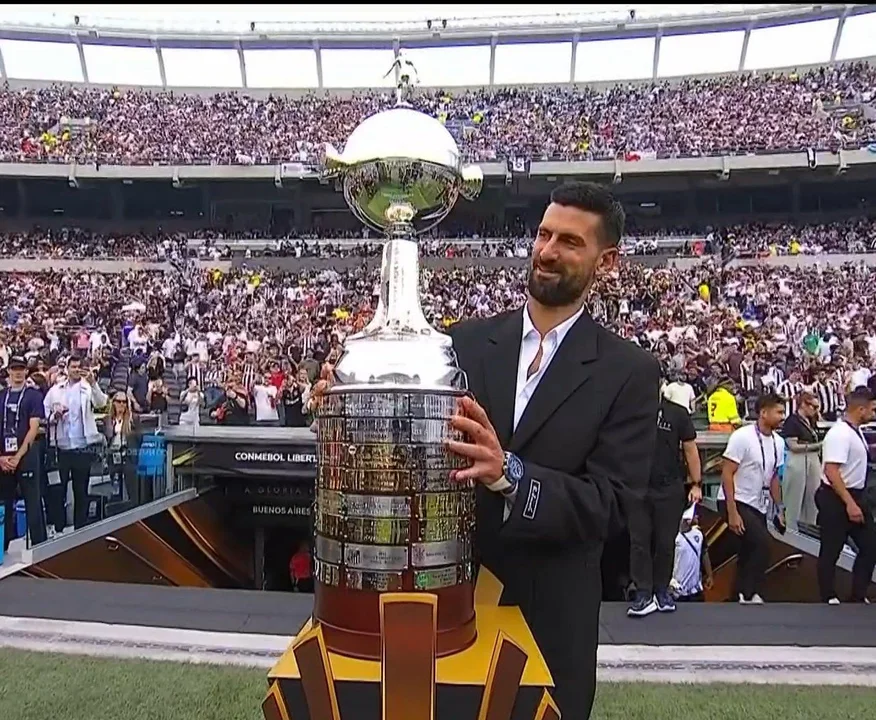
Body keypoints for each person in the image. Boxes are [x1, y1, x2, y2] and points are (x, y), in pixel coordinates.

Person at [447, 182, 659, 719]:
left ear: (606, 261)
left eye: (569, 241)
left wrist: (511, 475)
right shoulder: (462, 343)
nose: (546, 251)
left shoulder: (628, 372)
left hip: (552, 624)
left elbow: (611, 505)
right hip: (450, 609)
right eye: (543, 234)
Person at [628, 389, 702, 617]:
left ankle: (661, 591)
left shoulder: (678, 413)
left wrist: (697, 483)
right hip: (637, 486)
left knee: (665, 542)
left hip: (669, 486)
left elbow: (690, 448)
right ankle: (643, 592)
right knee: (639, 541)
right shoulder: (630, 411)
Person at [718, 392, 787, 604]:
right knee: (762, 544)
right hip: (736, 500)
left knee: (749, 549)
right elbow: (727, 473)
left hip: (759, 503)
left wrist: (780, 508)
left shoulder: (779, 442)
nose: (783, 416)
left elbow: (774, 477)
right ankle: (748, 593)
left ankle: (740, 594)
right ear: (763, 413)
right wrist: (732, 512)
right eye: (779, 412)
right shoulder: (742, 437)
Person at [816, 386, 876, 604]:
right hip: (837, 496)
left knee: (871, 545)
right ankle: (828, 596)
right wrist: (849, 504)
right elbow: (831, 471)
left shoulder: (855, 431)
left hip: (856, 494)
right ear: (860, 409)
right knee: (831, 548)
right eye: (872, 409)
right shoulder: (840, 434)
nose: (873, 413)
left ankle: (857, 595)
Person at [43, 355, 108, 530]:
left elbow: (102, 403)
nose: (76, 370)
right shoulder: (56, 390)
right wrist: (54, 416)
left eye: (79, 367)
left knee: (81, 490)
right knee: (58, 490)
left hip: (82, 447)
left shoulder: (87, 387)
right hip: (61, 448)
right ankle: (59, 528)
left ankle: (81, 528)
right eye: (73, 367)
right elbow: (45, 414)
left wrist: (94, 384)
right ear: (67, 368)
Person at [1, 356, 47, 552]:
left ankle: (41, 549)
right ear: (9, 371)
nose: (18, 372)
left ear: (26, 371)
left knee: (33, 502)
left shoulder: (33, 396)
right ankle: (3, 546)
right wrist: (1, 457)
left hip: (27, 456)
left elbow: (33, 428)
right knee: (4, 504)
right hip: (4, 458)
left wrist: (18, 456)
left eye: (21, 369)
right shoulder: (2, 396)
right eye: (14, 369)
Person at [780, 390, 822, 530]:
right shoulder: (792, 421)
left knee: (812, 498)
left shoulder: (811, 420)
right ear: (803, 404)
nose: (816, 411)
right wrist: (819, 445)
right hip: (798, 459)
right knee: (794, 498)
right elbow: (793, 446)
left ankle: (809, 528)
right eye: (814, 407)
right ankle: (790, 528)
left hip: (811, 459)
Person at [670, 503, 713, 602]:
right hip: (677, 590)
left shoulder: (699, 534)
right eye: (694, 514)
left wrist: (710, 575)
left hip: (696, 590)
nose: (697, 516)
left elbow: (704, 554)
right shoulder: (673, 535)